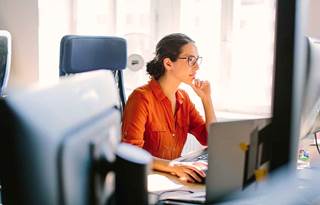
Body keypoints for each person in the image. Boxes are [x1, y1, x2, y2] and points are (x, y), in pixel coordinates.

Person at [121, 33, 216, 183]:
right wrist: (172, 166)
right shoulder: (141, 98)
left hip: (171, 179)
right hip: (145, 181)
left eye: (197, 60)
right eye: (190, 59)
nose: (197, 66)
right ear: (168, 64)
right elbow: (132, 154)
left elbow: (211, 140)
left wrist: (206, 99)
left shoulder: (184, 99)